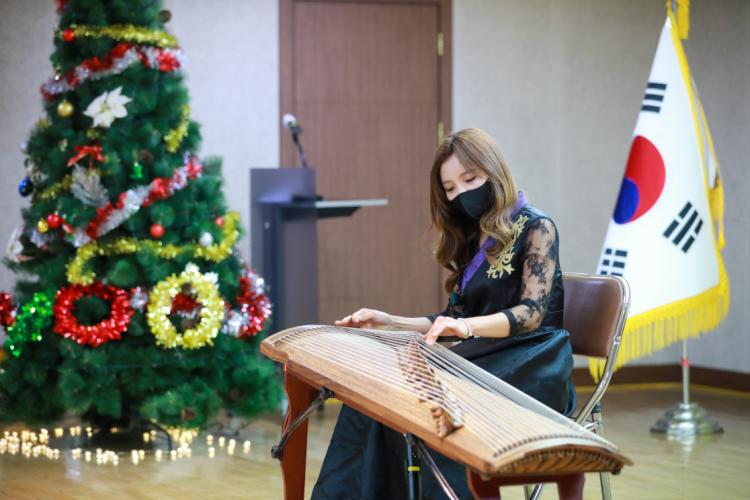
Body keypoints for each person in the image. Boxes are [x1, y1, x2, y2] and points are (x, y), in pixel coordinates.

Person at [311, 128, 577, 499]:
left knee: (437, 411)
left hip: (535, 362)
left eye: (470, 179)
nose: (460, 193)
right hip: (486, 356)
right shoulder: (474, 237)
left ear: (494, 172)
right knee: (373, 399)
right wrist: (391, 322)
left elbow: (531, 314)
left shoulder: (537, 227)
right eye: (450, 188)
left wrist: (465, 327)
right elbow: (450, 319)